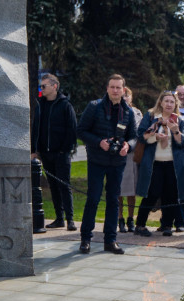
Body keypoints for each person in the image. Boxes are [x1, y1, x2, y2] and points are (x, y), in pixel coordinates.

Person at [76, 73, 138, 254]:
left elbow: (134, 137)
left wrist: (128, 145)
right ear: (107, 88)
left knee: (113, 200)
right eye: (112, 87)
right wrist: (99, 142)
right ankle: (85, 239)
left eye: (118, 87)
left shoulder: (128, 112)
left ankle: (110, 240)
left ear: (123, 90)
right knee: (93, 199)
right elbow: (81, 131)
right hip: (97, 160)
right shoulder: (94, 107)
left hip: (117, 162)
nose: (115, 90)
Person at [134, 91, 184, 236]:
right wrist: (155, 137)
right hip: (154, 163)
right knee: (152, 193)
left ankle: (166, 225)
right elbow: (141, 136)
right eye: (166, 101)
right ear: (161, 102)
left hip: (173, 164)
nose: (169, 104)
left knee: (171, 194)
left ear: (175, 104)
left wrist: (175, 131)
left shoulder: (179, 120)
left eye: (172, 102)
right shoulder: (151, 116)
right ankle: (140, 225)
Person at [31, 73, 77, 232]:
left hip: (61, 153)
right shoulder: (41, 105)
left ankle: (70, 219)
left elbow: (72, 129)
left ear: (54, 86)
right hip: (46, 153)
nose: (41, 89)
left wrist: (64, 150)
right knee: (53, 186)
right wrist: (35, 150)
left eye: (44, 86)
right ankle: (59, 218)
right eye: (40, 86)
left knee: (64, 185)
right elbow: (36, 128)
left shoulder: (65, 105)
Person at [118, 87, 146, 234]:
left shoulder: (137, 112)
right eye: (122, 96)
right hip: (117, 153)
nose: (125, 98)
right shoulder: (114, 110)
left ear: (131, 97)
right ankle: (120, 219)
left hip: (131, 154)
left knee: (131, 190)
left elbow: (140, 132)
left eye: (127, 95)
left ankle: (130, 218)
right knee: (118, 190)